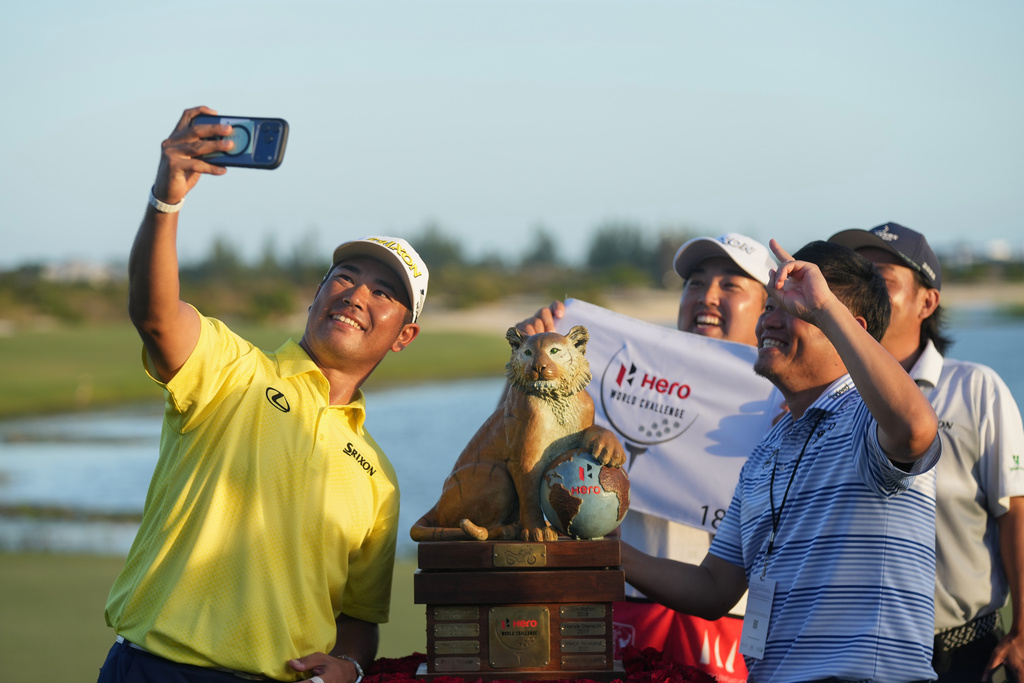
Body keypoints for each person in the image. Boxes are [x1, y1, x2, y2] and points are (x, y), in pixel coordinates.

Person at [98, 106, 428, 683]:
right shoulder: (234, 369)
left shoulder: (378, 477)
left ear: (404, 335)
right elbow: (154, 315)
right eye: (345, 277)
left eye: (383, 293)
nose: (355, 295)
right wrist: (167, 198)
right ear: (317, 296)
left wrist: (350, 664)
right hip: (155, 670)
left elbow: (359, 617)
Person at [622, 239, 942, 682]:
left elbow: (916, 429)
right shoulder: (767, 450)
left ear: (850, 326)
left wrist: (826, 308)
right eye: (770, 306)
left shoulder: (866, 419)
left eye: (795, 309)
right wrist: (606, 554)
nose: (769, 321)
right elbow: (714, 586)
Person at [517, 233, 777, 680]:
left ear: (768, 308)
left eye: (731, 285)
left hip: (731, 619)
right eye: (695, 283)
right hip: (623, 605)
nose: (707, 296)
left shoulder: (787, 399)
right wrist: (531, 362)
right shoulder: (606, 368)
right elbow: (525, 459)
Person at [829, 222, 1024, 683]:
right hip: (851, 653)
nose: (865, 292)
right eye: (855, 281)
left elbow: (1016, 512)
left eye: (882, 279)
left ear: (927, 301)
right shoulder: (829, 394)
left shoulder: (976, 388)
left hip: (962, 651)